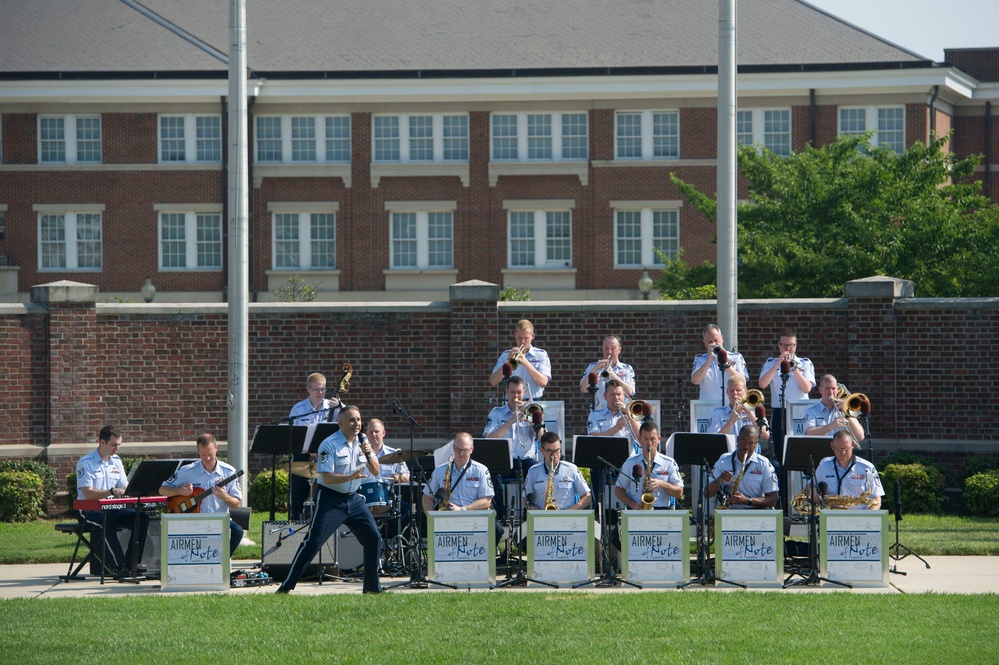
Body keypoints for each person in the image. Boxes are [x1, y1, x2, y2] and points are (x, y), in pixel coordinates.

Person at [276, 406, 382, 594]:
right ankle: (285, 587)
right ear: (340, 424)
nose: (356, 423)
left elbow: (375, 470)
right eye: (351, 420)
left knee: (373, 537)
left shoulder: (363, 441)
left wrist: (368, 453)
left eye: (358, 419)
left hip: (354, 500)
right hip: (331, 500)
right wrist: (349, 477)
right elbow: (327, 477)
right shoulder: (329, 444)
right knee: (312, 543)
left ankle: (372, 590)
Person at [75, 425, 147, 577]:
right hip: (88, 511)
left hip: (112, 508)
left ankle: (132, 564)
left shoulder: (116, 461)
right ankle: (119, 567)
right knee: (107, 521)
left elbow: (124, 487)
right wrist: (111, 492)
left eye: (119, 445)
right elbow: (87, 494)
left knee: (141, 517)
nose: (117, 448)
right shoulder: (85, 462)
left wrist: (131, 493)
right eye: (113, 445)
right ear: (102, 442)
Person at [159, 433, 243, 558]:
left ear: (216, 448)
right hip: (194, 521)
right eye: (204, 455)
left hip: (219, 520)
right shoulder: (187, 471)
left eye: (210, 454)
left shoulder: (228, 471)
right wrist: (179, 491)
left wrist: (225, 497)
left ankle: (222, 560)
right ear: (198, 450)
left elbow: (236, 504)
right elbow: (162, 490)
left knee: (237, 531)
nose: (207, 458)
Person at [422, 433, 504, 543]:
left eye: (465, 450)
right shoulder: (440, 471)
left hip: (474, 516)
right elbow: (426, 496)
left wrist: (463, 509)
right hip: (447, 517)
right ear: (453, 448)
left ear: (472, 449)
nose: (460, 453)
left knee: (497, 530)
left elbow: (486, 501)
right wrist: (431, 518)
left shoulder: (481, 470)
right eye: (457, 449)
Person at [287, 372, 341, 520]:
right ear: (308, 389)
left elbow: (344, 427)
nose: (320, 393)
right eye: (316, 389)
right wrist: (309, 450)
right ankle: (296, 517)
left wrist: (341, 407)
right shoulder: (298, 409)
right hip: (303, 454)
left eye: (323, 389)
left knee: (326, 491)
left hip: (325, 455)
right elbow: (294, 437)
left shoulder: (332, 408)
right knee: (298, 491)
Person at [758, 328, 816, 459]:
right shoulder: (771, 363)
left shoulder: (805, 363)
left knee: (800, 448)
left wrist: (794, 368)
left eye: (790, 345)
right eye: (784, 345)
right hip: (780, 411)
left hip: (800, 412)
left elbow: (806, 388)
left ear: (795, 345)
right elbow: (762, 384)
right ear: (779, 345)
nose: (787, 349)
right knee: (780, 451)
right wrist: (779, 362)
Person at [613, 422, 684, 511]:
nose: (649, 443)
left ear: (658, 439)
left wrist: (661, 484)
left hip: (662, 511)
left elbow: (679, 493)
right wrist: (632, 504)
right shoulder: (630, 463)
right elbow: (618, 490)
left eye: (652, 439)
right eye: (645, 439)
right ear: (640, 439)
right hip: (637, 510)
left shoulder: (669, 463)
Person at [706, 425, 779, 509]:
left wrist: (747, 501)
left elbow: (773, 499)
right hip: (728, 514)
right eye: (743, 441)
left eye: (751, 443)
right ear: (737, 439)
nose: (746, 447)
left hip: (756, 514)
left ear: (756, 444)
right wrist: (719, 479)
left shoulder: (764, 464)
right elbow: (706, 493)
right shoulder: (723, 460)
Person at [360, 418, 411, 538]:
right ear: (366, 434)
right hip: (362, 500)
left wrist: (399, 477)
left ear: (383, 433)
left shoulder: (394, 453)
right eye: (371, 432)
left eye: (376, 432)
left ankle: (402, 547)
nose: (374, 435)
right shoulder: (358, 454)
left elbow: (406, 476)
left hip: (387, 498)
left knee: (408, 512)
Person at [811, 430, 884, 509]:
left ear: (853, 444)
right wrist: (813, 491)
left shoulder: (867, 467)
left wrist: (867, 519)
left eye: (846, 448)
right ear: (832, 446)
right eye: (839, 449)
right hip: (831, 517)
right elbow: (810, 485)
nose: (843, 452)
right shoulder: (824, 466)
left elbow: (876, 499)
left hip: (859, 517)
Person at [523, 432, 591, 511]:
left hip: (567, 518)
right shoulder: (533, 472)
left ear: (560, 447)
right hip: (542, 518)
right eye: (549, 451)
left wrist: (571, 511)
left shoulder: (571, 469)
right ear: (542, 451)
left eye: (557, 450)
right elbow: (525, 499)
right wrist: (536, 512)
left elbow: (587, 497)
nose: (554, 455)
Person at [484, 376, 540, 468]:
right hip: (502, 460)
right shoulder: (496, 413)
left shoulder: (533, 413)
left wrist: (529, 418)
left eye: (519, 392)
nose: (516, 396)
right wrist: (510, 421)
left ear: (524, 392)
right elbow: (488, 439)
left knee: (536, 469)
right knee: (492, 470)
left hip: (526, 460)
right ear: (506, 392)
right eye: (512, 392)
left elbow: (542, 437)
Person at [489, 319, 551, 400]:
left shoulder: (540, 354)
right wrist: (508, 362)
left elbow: (543, 382)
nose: (522, 341)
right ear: (515, 335)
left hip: (533, 401)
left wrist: (526, 362)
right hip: (511, 402)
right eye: (519, 337)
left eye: (526, 338)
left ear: (533, 336)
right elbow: (493, 381)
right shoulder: (506, 355)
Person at [691, 324, 749, 405]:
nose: (714, 344)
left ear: (722, 339)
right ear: (705, 343)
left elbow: (743, 381)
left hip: (731, 406)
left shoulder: (736, 357)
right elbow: (695, 380)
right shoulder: (700, 359)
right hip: (708, 407)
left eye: (716, 340)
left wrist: (726, 363)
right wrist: (709, 360)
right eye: (710, 342)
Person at [707, 375, 771, 448]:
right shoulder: (717, 413)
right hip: (727, 454)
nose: (735, 393)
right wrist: (731, 420)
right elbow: (713, 441)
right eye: (731, 390)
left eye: (738, 390)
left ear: (745, 391)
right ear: (727, 392)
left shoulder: (756, 412)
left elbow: (766, 435)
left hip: (750, 454)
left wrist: (749, 412)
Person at [579, 334, 635, 410]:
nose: (609, 352)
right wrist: (595, 369)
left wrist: (613, 375)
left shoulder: (626, 369)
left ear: (619, 350)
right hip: (599, 412)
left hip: (620, 411)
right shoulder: (592, 367)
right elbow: (583, 389)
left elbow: (630, 392)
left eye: (613, 348)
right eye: (606, 348)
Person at [804, 374, 866, 442]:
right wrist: (830, 426)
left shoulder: (845, 408)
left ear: (837, 389)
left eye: (833, 389)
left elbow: (860, 436)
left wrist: (847, 413)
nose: (831, 393)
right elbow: (809, 432)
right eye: (827, 389)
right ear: (820, 390)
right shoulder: (812, 410)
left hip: (842, 450)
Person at [587, 380, 641, 456]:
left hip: (627, 461)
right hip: (604, 459)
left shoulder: (631, 414)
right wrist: (616, 428)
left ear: (623, 396)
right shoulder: (595, 415)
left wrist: (629, 414)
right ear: (605, 396)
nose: (616, 398)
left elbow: (641, 437)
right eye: (612, 394)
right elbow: (593, 439)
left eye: (619, 394)